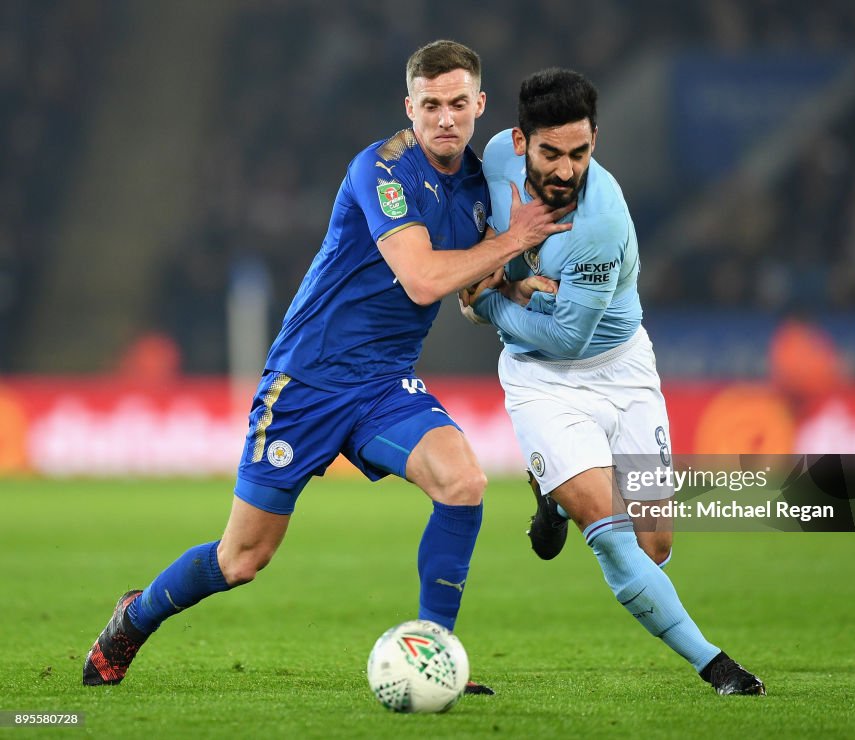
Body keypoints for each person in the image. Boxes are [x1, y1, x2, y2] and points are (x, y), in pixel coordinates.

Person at [83, 40, 572, 692]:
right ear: (411, 107)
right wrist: (514, 241)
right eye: (431, 105)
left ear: (479, 105)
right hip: (306, 382)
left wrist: (511, 285)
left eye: (459, 103)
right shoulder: (383, 169)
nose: (446, 117)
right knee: (242, 558)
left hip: (383, 384)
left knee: (464, 482)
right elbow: (424, 278)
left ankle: (436, 654)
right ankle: (132, 620)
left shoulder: (481, 188)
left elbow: (464, 287)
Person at [460, 68, 765, 695]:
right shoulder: (492, 157)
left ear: (595, 140)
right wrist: (499, 267)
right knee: (616, 541)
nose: (567, 170)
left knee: (654, 546)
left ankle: (553, 492)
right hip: (540, 382)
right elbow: (479, 233)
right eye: (552, 153)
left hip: (621, 374)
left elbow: (570, 338)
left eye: (580, 152)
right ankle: (716, 665)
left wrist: (488, 301)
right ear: (520, 143)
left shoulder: (600, 223)